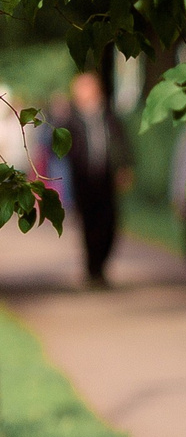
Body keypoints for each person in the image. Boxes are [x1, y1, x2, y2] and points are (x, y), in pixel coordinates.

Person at [54, 71, 131, 286]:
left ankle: (102, 264)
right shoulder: (71, 118)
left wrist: (124, 167)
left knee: (109, 222)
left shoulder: (109, 115)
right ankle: (93, 269)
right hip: (83, 178)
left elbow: (122, 142)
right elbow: (63, 147)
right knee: (88, 223)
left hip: (106, 176)